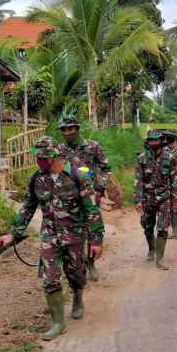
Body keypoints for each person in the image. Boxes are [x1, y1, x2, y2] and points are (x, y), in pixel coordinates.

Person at [0, 136, 104, 340]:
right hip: (50, 234)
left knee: (75, 273)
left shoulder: (78, 175)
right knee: (50, 278)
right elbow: (28, 207)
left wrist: (96, 240)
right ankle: (58, 323)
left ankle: (77, 296)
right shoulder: (36, 179)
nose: (39, 162)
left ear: (54, 156)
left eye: (43, 158)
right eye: (37, 158)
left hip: (74, 234)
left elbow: (91, 208)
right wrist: (13, 233)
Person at [58, 114, 112, 282]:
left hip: (90, 198)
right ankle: (77, 266)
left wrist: (100, 188)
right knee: (73, 234)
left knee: (92, 231)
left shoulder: (92, 147)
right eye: (64, 130)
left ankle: (91, 263)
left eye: (70, 129)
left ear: (77, 128)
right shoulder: (58, 151)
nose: (67, 132)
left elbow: (106, 167)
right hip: (69, 201)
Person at [134, 129, 177, 269]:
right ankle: (152, 249)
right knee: (147, 226)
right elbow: (138, 181)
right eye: (151, 140)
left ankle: (160, 258)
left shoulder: (169, 158)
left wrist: (176, 200)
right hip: (148, 199)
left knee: (162, 228)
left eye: (156, 140)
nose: (154, 143)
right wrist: (137, 200)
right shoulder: (142, 158)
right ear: (148, 142)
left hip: (164, 199)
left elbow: (174, 180)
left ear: (160, 141)